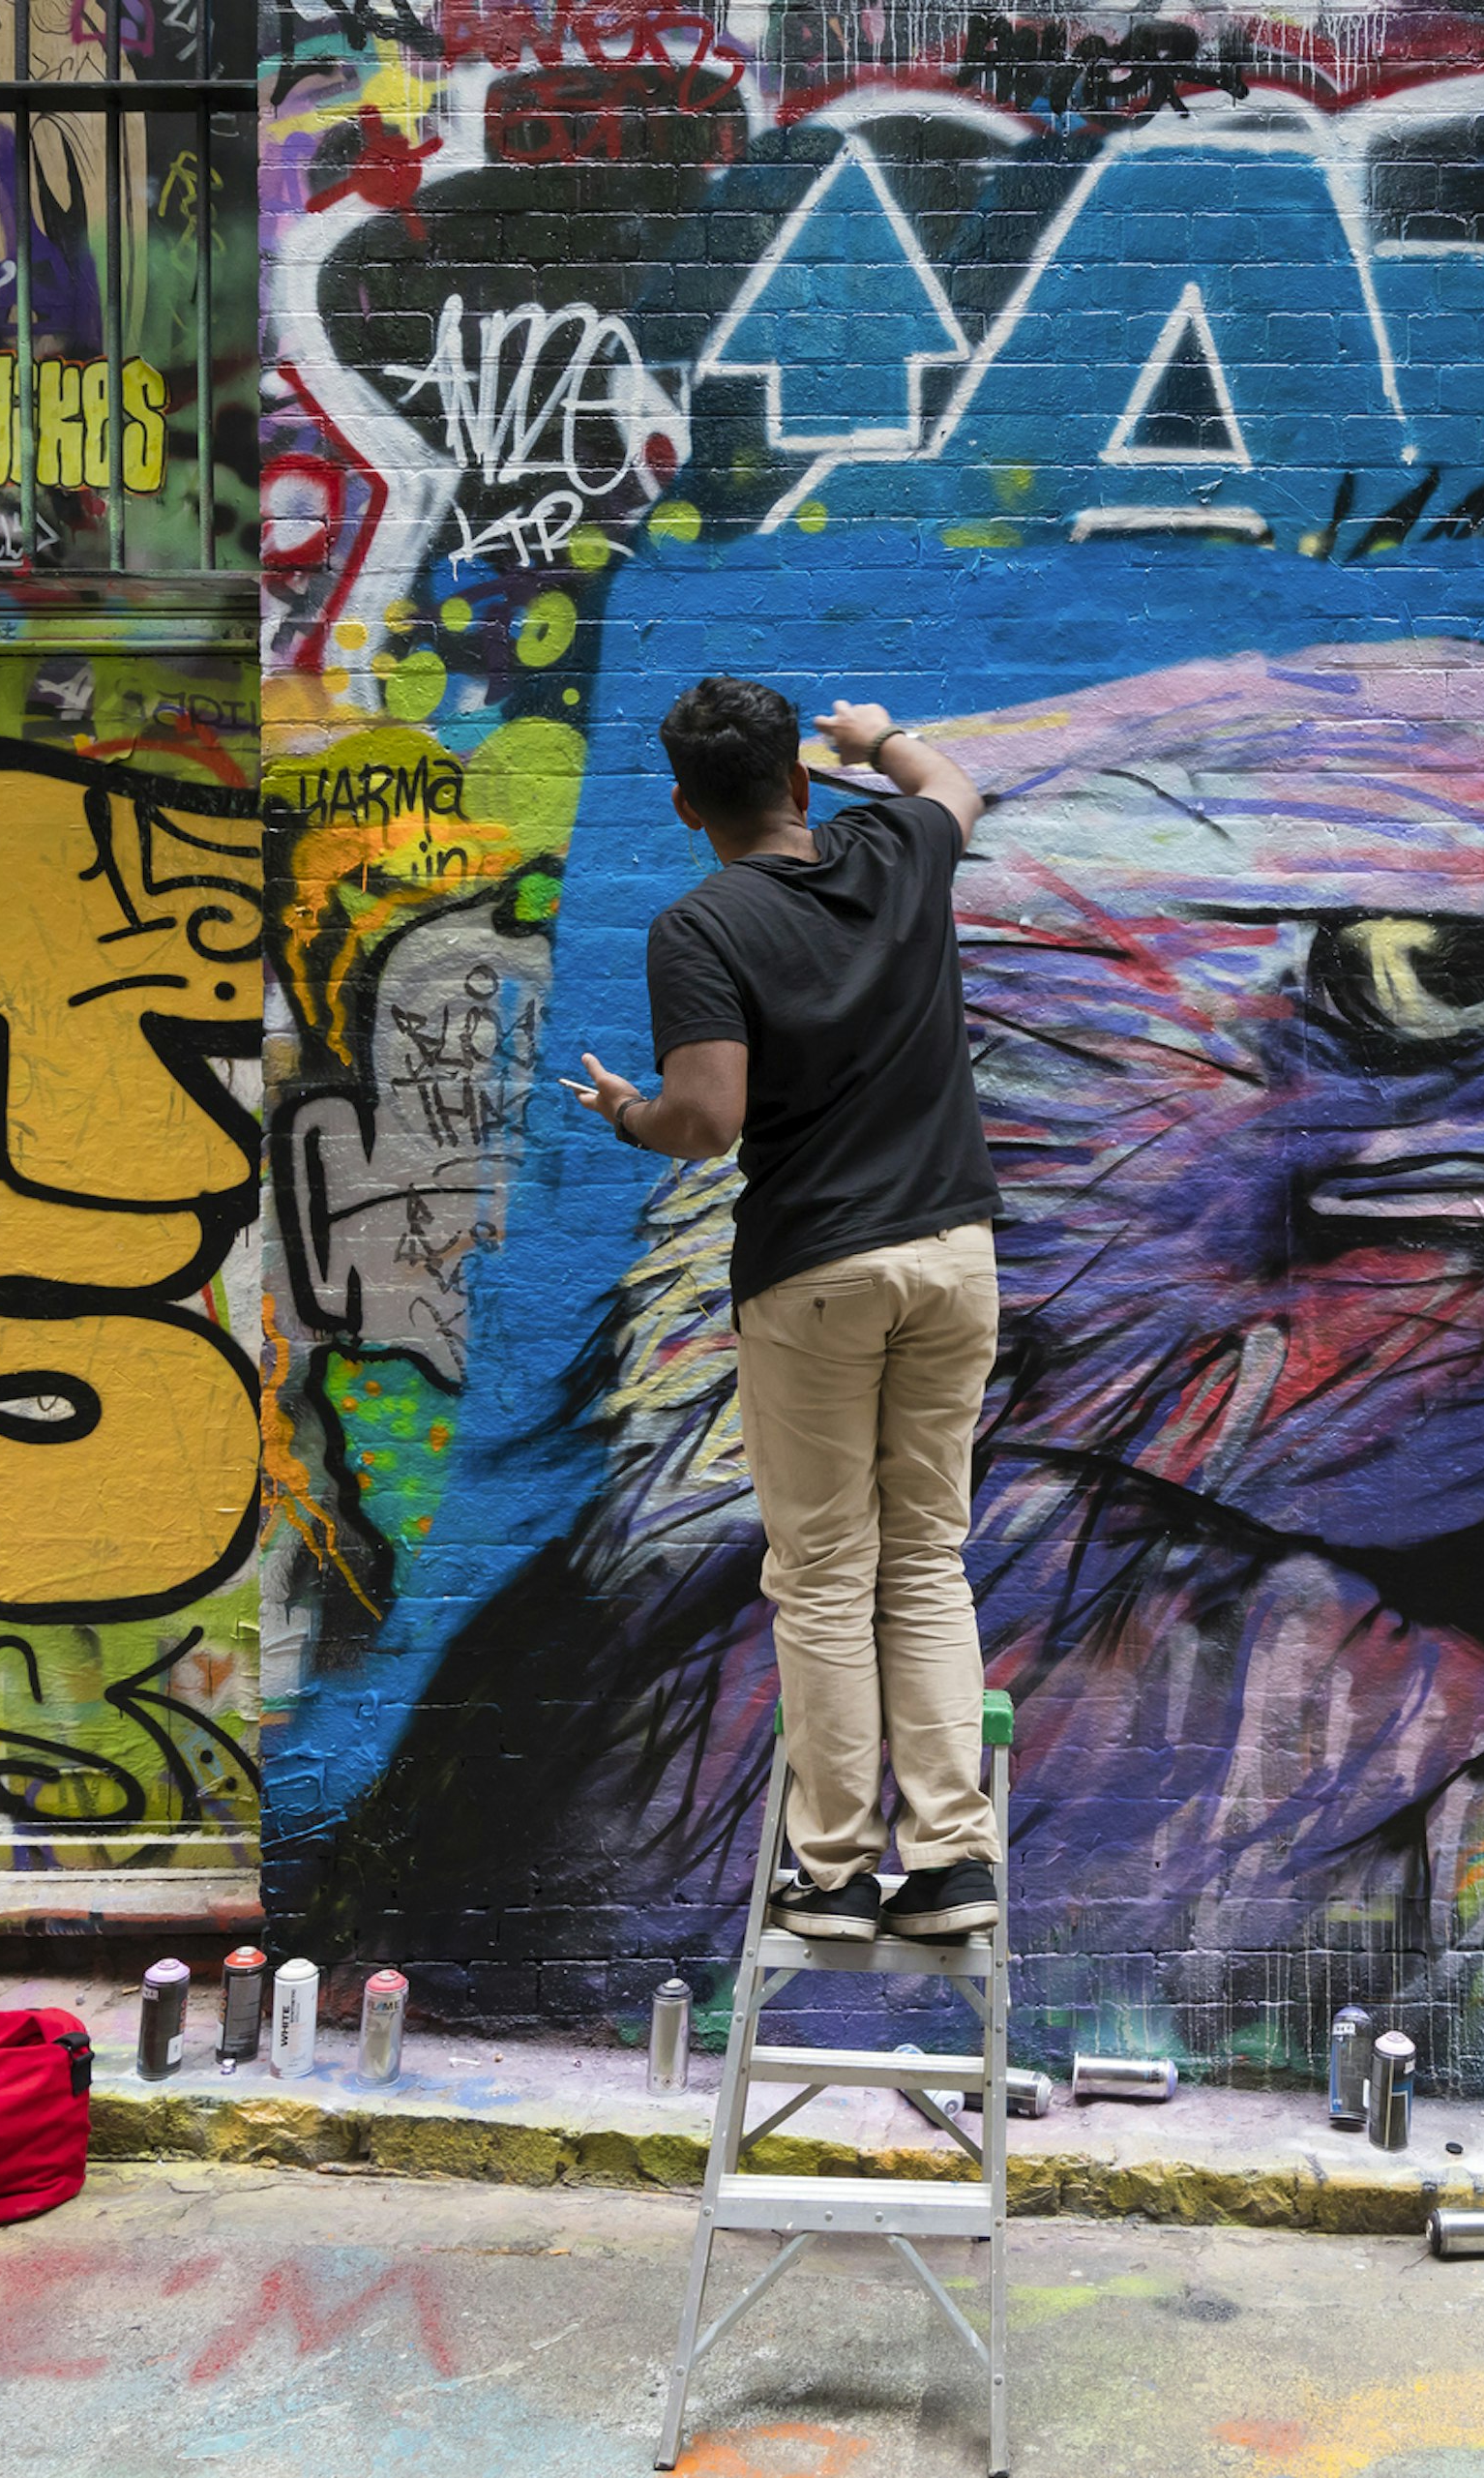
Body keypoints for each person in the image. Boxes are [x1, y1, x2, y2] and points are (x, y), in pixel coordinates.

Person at [575, 679, 1004, 1943]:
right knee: (925, 1557)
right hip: (952, 1252)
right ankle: (949, 1862)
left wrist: (627, 1114)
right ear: (801, 781)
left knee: (823, 1574)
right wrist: (886, 737)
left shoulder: (700, 926)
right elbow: (956, 789)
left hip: (816, 1268)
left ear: (684, 807)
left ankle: (832, 1872)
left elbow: (705, 1122)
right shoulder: (893, 847)